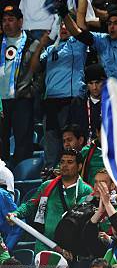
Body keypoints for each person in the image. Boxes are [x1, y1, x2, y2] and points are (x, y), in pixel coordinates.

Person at [7, 149, 93, 253]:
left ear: (79, 166)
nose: (65, 165)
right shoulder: (47, 185)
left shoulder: (86, 190)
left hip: (70, 249)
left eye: (70, 162)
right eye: (62, 162)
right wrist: (17, 213)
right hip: (43, 244)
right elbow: (30, 204)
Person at [32, 20, 87, 167]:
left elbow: (82, 27)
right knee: (51, 144)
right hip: (50, 102)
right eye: (60, 24)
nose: (63, 27)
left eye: (66, 24)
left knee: (71, 144)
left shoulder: (80, 44)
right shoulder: (50, 49)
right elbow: (35, 68)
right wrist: (40, 45)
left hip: (71, 101)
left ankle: (77, 172)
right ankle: (51, 176)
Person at [0, 5, 42, 165]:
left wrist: (32, 90)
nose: (6, 24)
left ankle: (20, 176)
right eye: (4, 20)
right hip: (0, 102)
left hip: (22, 99)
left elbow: (39, 73)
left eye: (11, 20)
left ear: (20, 22)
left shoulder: (32, 43)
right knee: (1, 140)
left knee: (23, 140)